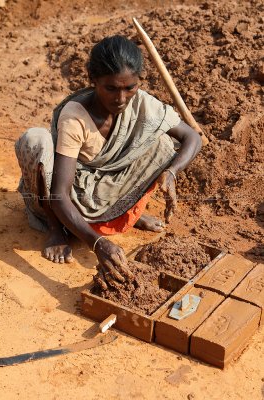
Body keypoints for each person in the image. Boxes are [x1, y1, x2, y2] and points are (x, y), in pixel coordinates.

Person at [15, 35, 202, 286]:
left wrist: (172, 172)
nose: (121, 99)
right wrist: (98, 244)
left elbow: (192, 137)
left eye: (130, 88)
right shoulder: (75, 116)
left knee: (163, 144)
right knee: (35, 140)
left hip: (109, 189)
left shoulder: (142, 103)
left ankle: (128, 213)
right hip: (70, 198)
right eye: (111, 88)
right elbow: (59, 193)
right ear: (93, 80)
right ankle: (56, 230)